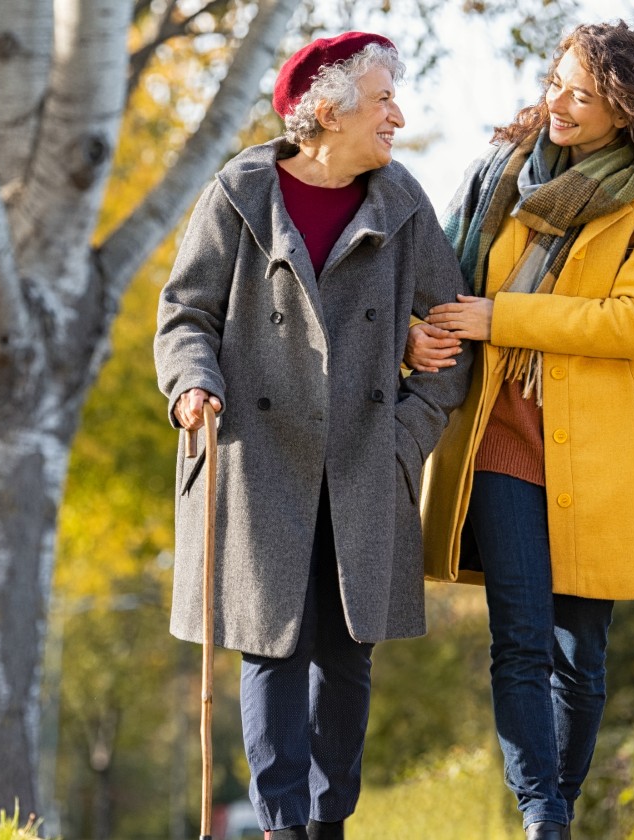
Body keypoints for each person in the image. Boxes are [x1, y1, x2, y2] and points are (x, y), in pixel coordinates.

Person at [405, 21, 634, 840]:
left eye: (581, 94)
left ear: (626, 110)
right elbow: (444, 270)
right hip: (500, 435)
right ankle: (542, 815)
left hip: (602, 449)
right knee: (519, 638)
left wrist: (502, 317)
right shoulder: (506, 172)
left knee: (581, 655)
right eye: (555, 82)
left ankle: (561, 809)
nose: (558, 103)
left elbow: (631, 320)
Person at [154, 31, 474, 840]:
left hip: (366, 460)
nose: (398, 117)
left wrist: (407, 436)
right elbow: (185, 314)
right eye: (383, 102)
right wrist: (194, 382)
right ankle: (281, 826)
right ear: (326, 114)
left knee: (347, 655)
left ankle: (330, 824)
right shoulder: (239, 194)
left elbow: (451, 337)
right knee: (271, 647)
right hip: (259, 461)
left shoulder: (402, 202)